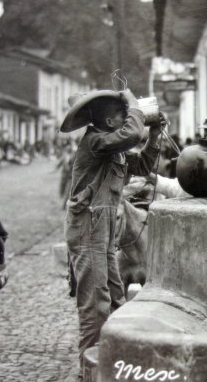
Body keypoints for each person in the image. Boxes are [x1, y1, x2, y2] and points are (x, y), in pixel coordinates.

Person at [60, 88, 165, 365]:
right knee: (95, 304)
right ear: (109, 123)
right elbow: (131, 134)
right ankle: (90, 374)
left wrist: (154, 134)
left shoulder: (113, 151)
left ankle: (114, 359)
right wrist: (136, 106)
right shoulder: (95, 142)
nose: (128, 116)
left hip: (102, 232)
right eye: (123, 113)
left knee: (115, 296)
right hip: (88, 229)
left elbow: (142, 164)